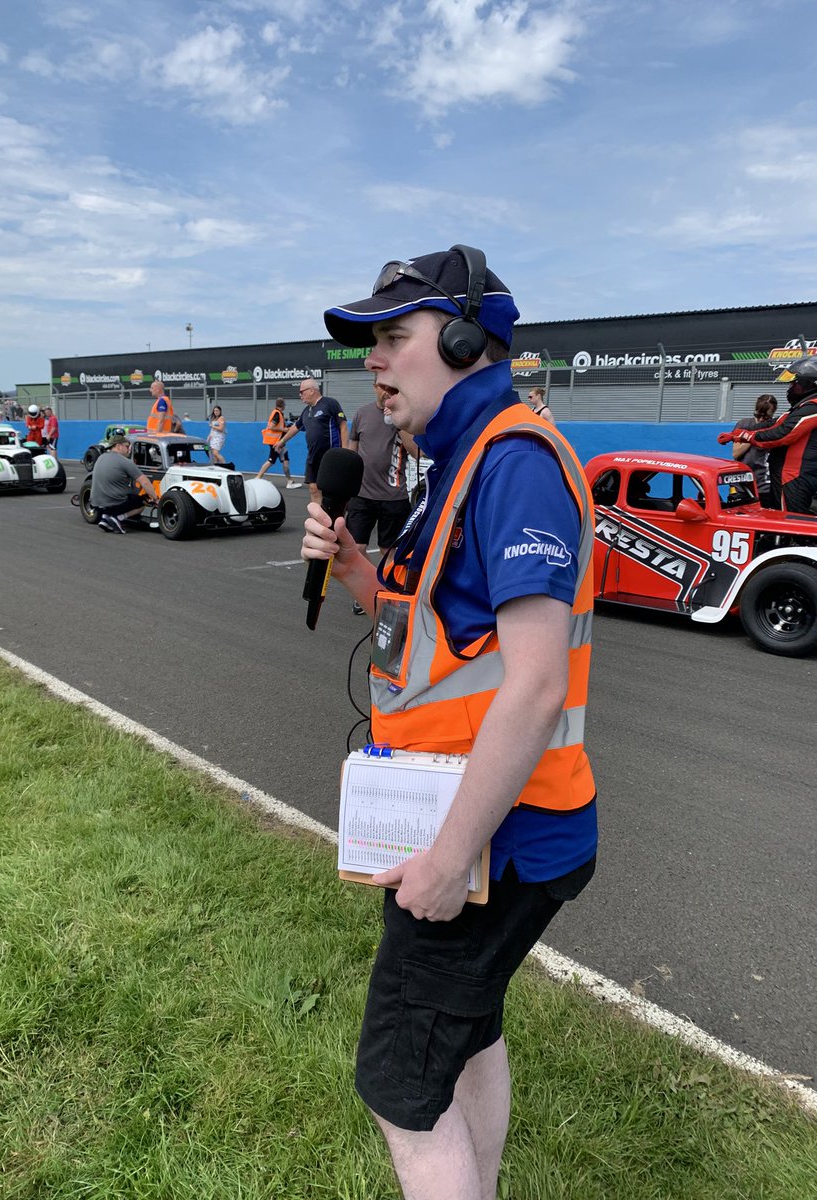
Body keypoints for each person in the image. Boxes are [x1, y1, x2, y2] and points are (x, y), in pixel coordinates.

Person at [303, 246, 597, 1200]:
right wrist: (358, 575)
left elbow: (537, 685)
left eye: (395, 337)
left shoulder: (510, 461)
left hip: (493, 840)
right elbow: (445, 644)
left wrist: (443, 860)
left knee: (398, 1087)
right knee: (470, 1035)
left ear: (469, 340)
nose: (375, 363)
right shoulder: (460, 459)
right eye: (370, 344)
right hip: (480, 826)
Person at [718, 357, 817, 512]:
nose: (790, 387)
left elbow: (783, 434)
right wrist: (737, 434)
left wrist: (747, 436)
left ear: (807, 384)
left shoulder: (813, 407)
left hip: (794, 477)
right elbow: (775, 423)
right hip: (785, 476)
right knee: (778, 518)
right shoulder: (802, 407)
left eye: (794, 383)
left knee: (790, 523)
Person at [346, 380, 411, 614]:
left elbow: (414, 450)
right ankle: (367, 591)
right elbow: (351, 450)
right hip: (361, 494)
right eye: (382, 387)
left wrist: (398, 421)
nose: (386, 392)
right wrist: (346, 483)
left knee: (388, 551)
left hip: (393, 496)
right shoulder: (362, 413)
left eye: (391, 389)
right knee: (357, 546)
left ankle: (389, 593)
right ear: (374, 388)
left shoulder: (404, 415)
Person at [273, 377, 347, 504]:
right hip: (313, 456)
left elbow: (343, 426)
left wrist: (346, 452)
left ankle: (335, 519)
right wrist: (282, 441)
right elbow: (296, 427)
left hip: (330, 455)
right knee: (313, 488)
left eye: (302, 392)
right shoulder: (306, 411)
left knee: (332, 491)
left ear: (312, 390)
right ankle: (318, 519)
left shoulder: (330, 403)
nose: (300, 395)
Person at [89, 434, 159, 533]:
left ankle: (105, 518)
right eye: (126, 446)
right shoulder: (125, 462)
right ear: (118, 446)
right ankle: (117, 518)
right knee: (144, 501)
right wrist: (156, 499)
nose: (128, 450)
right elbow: (145, 482)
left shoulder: (100, 458)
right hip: (113, 504)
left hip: (96, 505)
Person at [727, 394, 777, 506]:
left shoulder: (774, 428)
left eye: (765, 417)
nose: (760, 420)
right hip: (741, 482)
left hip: (763, 485)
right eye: (758, 415)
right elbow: (736, 453)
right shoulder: (744, 424)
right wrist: (752, 436)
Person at [256, 397, 301, 487]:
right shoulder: (277, 414)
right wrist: (284, 429)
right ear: (283, 405)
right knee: (271, 460)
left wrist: (286, 426)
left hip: (278, 442)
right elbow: (271, 426)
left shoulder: (278, 413)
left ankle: (290, 481)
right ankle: (258, 478)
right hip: (276, 442)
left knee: (285, 460)